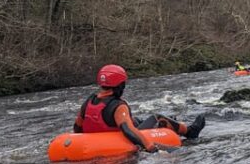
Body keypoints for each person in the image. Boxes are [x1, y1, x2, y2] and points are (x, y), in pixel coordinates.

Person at [73, 64, 205, 152]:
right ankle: (189, 131)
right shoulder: (118, 105)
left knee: (135, 120)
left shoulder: (89, 100)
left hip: (97, 138)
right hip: (117, 138)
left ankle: (172, 122)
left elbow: (78, 126)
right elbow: (127, 130)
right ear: (120, 85)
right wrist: (149, 146)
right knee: (156, 118)